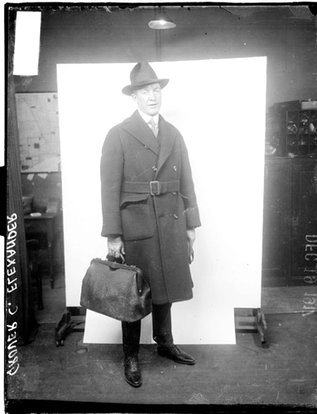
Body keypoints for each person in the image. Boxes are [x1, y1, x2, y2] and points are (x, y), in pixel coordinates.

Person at [100, 62, 201, 388]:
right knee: (134, 291)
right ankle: (130, 355)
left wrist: (190, 224)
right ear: (135, 97)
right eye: (146, 91)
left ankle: (164, 342)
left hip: (171, 221)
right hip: (137, 223)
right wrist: (113, 234)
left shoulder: (173, 133)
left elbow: (187, 179)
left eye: (156, 90)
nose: (153, 96)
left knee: (167, 285)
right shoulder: (118, 134)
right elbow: (109, 188)